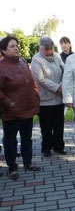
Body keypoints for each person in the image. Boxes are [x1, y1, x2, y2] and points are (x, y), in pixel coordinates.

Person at [0, 35, 41, 180]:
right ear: (3, 51)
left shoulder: (23, 62)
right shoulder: (1, 67)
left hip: (27, 107)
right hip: (11, 110)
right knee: (10, 140)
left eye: (16, 45)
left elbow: (31, 81)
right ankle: (12, 168)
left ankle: (28, 163)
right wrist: (8, 102)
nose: (16, 48)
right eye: (12, 46)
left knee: (27, 138)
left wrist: (36, 94)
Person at [31, 36, 66, 157]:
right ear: (41, 48)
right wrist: (57, 88)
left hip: (59, 98)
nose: (49, 52)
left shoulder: (57, 56)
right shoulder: (36, 59)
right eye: (46, 49)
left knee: (59, 125)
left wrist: (61, 86)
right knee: (46, 126)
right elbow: (40, 79)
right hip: (45, 100)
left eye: (51, 49)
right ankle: (46, 148)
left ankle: (59, 147)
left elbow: (65, 70)